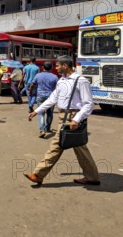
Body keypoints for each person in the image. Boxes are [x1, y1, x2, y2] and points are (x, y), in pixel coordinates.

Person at [25, 55, 100, 186]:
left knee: (56, 146)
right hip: (63, 117)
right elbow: (52, 99)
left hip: (73, 118)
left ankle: (38, 174)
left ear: (65, 65)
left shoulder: (81, 81)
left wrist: (76, 119)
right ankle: (92, 177)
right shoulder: (61, 81)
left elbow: (88, 104)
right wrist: (37, 111)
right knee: (80, 148)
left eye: (58, 65)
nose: (57, 68)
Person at [28, 61, 58, 138]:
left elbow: (32, 85)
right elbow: (57, 88)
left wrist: (30, 92)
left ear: (42, 67)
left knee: (40, 113)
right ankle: (48, 128)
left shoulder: (38, 75)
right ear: (51, 68)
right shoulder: (54, 77)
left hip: (40, 96)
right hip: (50, 97)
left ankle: (42, 130)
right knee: (50, 113)